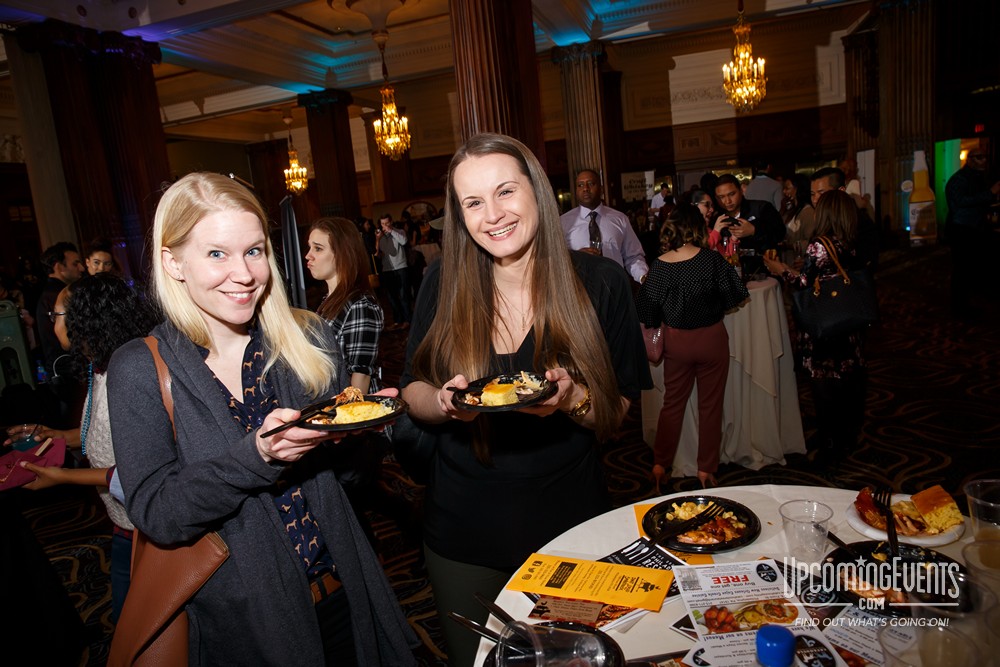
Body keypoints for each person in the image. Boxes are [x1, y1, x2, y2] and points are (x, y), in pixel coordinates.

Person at [106, 173, 417, 666]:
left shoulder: (306, 341)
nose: (245, 273)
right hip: (246, 629)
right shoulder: (140, 368)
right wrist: (256, 456)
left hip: (345, 595)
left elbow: (349, 482)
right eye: (216, 254)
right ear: (173, 262)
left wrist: (361, 433)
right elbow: (158, 513)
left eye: (254, 251)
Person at [400, 134, 650, 667]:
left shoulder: (601, 283)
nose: (493, 215)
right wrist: (444, 404)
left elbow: (618, 414)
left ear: (537, 190)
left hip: (573, 528)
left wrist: (571, 400)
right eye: (473, 202)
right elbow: (412, 389)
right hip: (461, 536)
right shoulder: (442, 282)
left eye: (505, 191)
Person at [7, 273, 154, 622]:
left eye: (55, 315)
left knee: (142, 630)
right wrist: (55, 436)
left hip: (149, 528)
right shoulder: (100, 368)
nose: (50, 323)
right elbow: (106, 436)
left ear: (84, 318)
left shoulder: (128, 373)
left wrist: (62, 477)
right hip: (122, 523)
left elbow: (134, 472)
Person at [636, 204, 748, 489]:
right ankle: (706, 470)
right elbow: (735, 295)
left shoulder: (661, 265)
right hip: (711, 339)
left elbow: (646, 312)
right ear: (699, 228)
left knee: (672, 404)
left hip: (678, 342)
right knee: (710, 406)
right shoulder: (711, 260)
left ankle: (661, 464)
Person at [763, 190, 867, 468]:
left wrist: (779, 268)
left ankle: (829, 449)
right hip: (849, 324)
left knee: (824, 391)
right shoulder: (853, 240)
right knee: (847, 388)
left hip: (825, 327)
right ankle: (846, 440)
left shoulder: (819, 245)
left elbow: (803, 284)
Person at [305, 216, 388, 544]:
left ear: (340, 254)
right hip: (334, 426)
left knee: (350, 512)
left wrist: (339, 431)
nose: (308, 255)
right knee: (350, 509)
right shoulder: (328, 303)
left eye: (317, 248)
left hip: (353, 430)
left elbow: (359, 381)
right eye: (308, 248)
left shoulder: (359, 304)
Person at [560, 168, 649, 283]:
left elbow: (633, 256)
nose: (585, 189)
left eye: (591, 184)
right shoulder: (563, 223)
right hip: (580, 291)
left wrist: (644, 277)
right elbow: (555, 260)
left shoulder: (619, 219)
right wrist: (576, 258)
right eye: (580, 185)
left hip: (614, 289)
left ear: (601, 189)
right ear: (575, 191)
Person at [944, 145, 1000, 319]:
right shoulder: (959, 179)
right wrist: (989, 194)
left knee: (973, 268)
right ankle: (959, 308)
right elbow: (958, 202)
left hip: (975, 228)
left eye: (984, 157)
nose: (983, 160)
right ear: (969, 160)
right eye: (978, 157)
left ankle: (969, 304)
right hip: (962, 229)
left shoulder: (978, 177)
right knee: (962, 269)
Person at [809, 167, 879, 273]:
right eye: (812, 194)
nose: (815, 200)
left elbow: (866, 264)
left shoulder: (858, 221)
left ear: (841, 191)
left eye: (821, 193)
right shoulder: (821, 219)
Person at [712, 174, 785, 274]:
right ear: (716, 198)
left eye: (732, 194)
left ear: (741, 190)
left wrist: (754, 230)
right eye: (722, 197)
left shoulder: (761, 208)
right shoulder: (717, 219)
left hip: (764, 271)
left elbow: (780, 233)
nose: (727, 201)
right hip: (733, 274)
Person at [35, 242, 84, 377]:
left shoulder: (50, 294)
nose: (81, 268)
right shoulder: (59, 296)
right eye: (75, 264)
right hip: (67, 371)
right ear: (58, 267)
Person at [375, 213, 411, 331]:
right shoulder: (380, 236)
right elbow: (377, 254)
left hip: (401, 267)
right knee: (392, 297)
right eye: (382, 224)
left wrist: (391, 231)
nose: (385, 226)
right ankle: (397, 320)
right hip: (387, 269)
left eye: (387, 223)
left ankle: (407, 320)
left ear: (391, 222)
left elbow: (404, 241)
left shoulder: (399, 232)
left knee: (403, 295)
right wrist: (377, 239)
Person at [781, 173, 816, 253]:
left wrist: (790, 246)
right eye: (784, 188)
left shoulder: (808, 212)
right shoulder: (791, 209)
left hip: (797, 260)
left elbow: (810, 241)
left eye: (787, 188)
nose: (784, 191)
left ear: (798, 189)